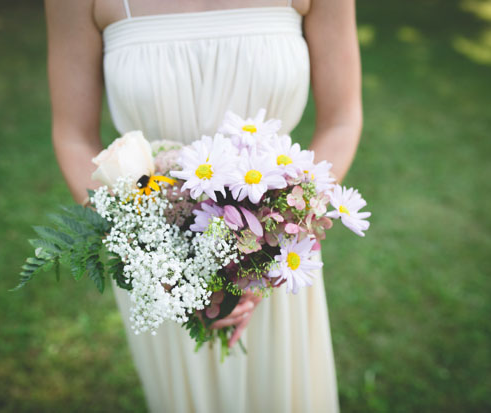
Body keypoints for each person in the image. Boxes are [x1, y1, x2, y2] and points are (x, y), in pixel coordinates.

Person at [45, 0, 362, 411]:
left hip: (278, 254)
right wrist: (154, 258)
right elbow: (73, 135)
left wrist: (267, 252)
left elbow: (341, 119)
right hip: (159, 258)